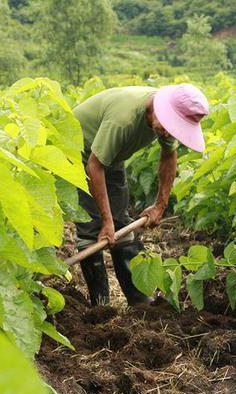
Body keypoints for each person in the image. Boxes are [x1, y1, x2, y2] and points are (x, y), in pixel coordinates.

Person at [73, 83, 209, 307]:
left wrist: (160, 205)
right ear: (159, 108)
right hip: (78, 154)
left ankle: (138, 299)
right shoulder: (123, 119)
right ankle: (100, 305)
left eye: (174, 128)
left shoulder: (163, 119)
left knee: (121, 225)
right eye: (167, 125)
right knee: (92, 227)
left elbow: (169, 156)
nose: (167, 132)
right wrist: (106, 221)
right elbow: (94, 167)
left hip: (110, 155)